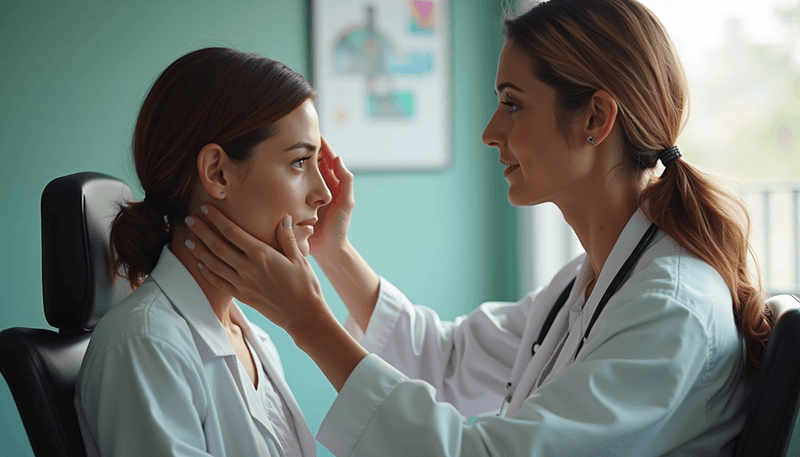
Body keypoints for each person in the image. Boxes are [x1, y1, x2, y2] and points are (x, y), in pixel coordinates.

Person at [181, 0, 773, 455]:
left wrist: (307, 322)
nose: (490, 131)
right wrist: (331, 251)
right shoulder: (589, 280)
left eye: (512, 103)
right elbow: (447, 358)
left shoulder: (669, 307)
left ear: (595, 117)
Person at [73, 47, 330, 456]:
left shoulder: (253, 337)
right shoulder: (146, 345)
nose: (323, 193)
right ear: (217, 172)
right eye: (300, 161)